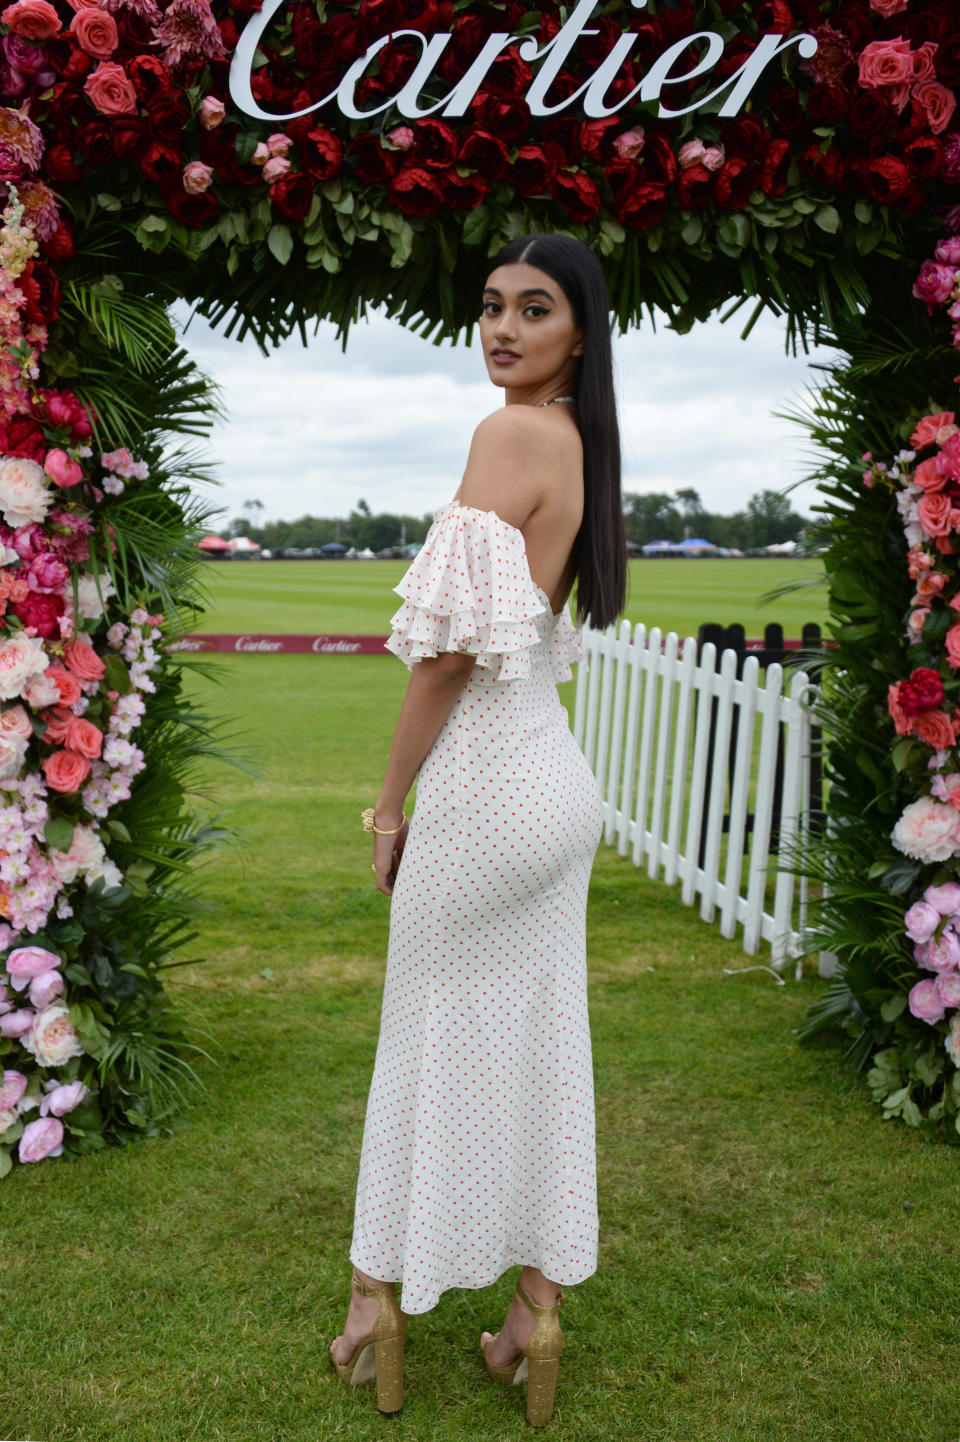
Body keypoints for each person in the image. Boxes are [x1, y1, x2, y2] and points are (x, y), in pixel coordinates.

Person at [330, 232, 627, 1427]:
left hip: (486, 788)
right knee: (546, 1042)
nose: (503, 327)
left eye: (535, 308)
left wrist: (389, 800)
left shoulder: (510, 434)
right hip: (554, 785)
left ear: (578, 332)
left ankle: (372, 1302)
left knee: (425, 1041)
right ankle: (532, 1314)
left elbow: (448, 655)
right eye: (493, 306)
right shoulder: (580, 444)